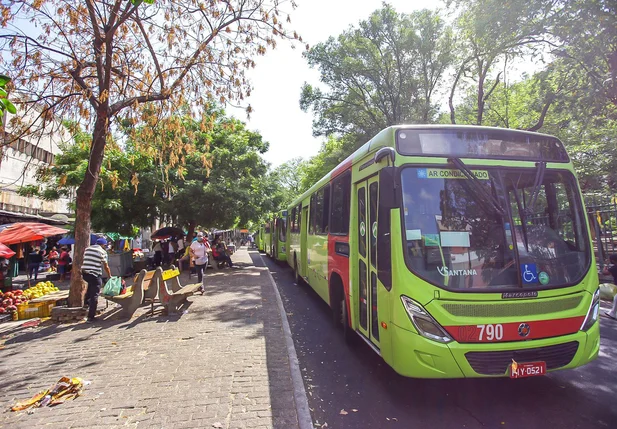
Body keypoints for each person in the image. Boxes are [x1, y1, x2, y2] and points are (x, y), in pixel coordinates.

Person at [81, 237, 112, 323]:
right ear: (103, 245)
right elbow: (106, 266)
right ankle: (91, 317)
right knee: (95, 294)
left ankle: (86, 303)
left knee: (91, 286)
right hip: (94, 274)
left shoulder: (87, 249)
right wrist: (110, 276)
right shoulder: (102, 252)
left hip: (85, 273)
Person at [603, 254, 617, 320]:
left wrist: (606, 264)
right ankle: (613, 313)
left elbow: (604, 272)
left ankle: (613, 313)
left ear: (613, 261)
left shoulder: (614, 268)